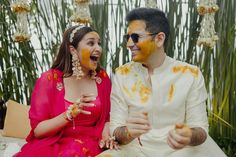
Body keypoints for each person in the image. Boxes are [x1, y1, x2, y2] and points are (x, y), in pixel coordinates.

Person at [97, 8, 226, 157]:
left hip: (182, 151)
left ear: (159, 39)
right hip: (136, 150)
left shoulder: (190, 74)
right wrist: (128, 132)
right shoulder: (122, 74)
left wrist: (188, 135)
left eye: (135, 37)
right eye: (128, 37)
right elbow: (116, 128)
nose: (129, 44)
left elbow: (201, 129)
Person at [14, 25, 115, 157]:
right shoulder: (50, 79)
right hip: (56, 145)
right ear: (72, 50)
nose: (98, 48)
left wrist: (106, 135)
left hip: (94, 143)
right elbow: (38, 130)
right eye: (91, 43)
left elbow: (107, 118)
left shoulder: (102, 78)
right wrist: (68, 114)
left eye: (99, 43)